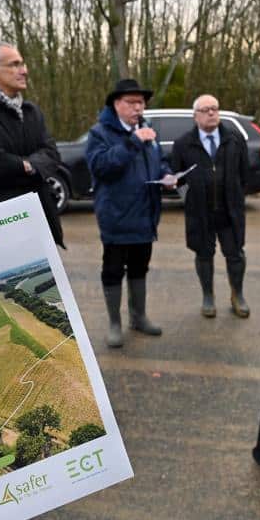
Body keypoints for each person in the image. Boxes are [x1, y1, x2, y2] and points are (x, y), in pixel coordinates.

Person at [85, 79, 175, 348]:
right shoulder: (100, 133)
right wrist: (132, 142)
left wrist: (168, 175)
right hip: (116, 216)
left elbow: (160, 161)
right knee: (113, 271)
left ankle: (139, 317)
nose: (138, 107)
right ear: (116, 104)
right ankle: (115, 323)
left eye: (141, 102)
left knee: (139, 268)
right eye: (131, 102)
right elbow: (101, 166)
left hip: (145, 215)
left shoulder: (147, 129)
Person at [0, 41, 64, 248]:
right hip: (5, 224)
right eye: (15, 65)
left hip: (41, 218)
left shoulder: (32, 111)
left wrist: (26, 165)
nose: (24, 71)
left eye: (22, 64)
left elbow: (52, 154)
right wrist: (34, 166)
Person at [170, 94, 251, 318]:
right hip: (200, 213)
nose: (212, 113)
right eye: (205, 110)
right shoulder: (183, 144)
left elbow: (244, 174)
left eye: (215, 108)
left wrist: (236, 196)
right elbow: (177, 177)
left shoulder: (234, 139)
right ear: (195, 116)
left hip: (229, 211)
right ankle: (208, 296)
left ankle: (237, 295)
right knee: (204, 254)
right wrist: (189, 197)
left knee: (235, 254)